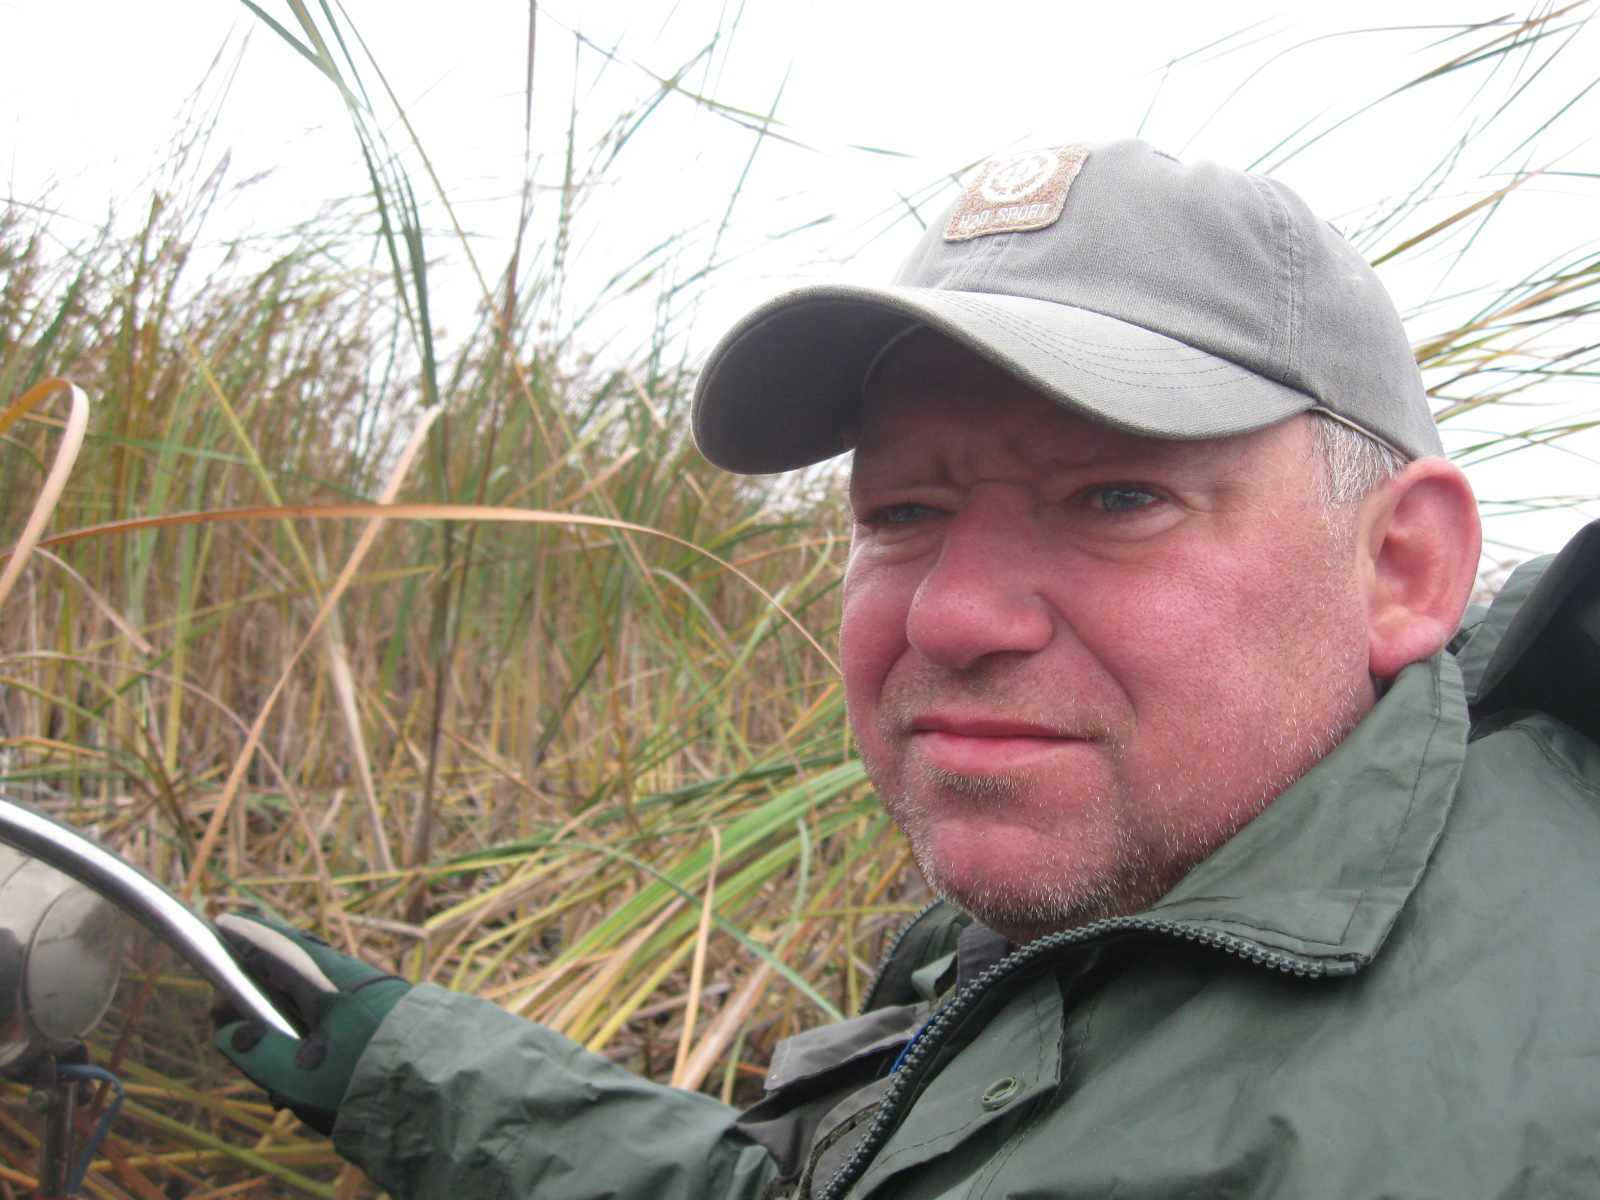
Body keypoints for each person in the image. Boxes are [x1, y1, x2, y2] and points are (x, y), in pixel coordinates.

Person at [214, 138, 1600, 1198]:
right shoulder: (1158, 900)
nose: (951, 616)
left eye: (1117, 497)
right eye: (903, 513)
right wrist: (410, 1066)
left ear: (1402, 567)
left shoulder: (1519, 1106)